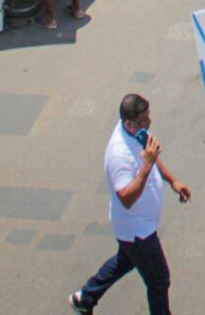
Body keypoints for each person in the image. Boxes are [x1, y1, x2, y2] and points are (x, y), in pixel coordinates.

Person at [72, 93, 190, 315]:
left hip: (138, 227)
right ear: (128, 123)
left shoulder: (138, 132)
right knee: (159, 281)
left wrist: (172, 180)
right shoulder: (118, 155)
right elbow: (126, 199)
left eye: (148, 117)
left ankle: (85, 298)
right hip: (137, 230)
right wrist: (145, 167)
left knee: (125, 261)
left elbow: (152, 155)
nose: (149, 123)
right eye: (144, 120)